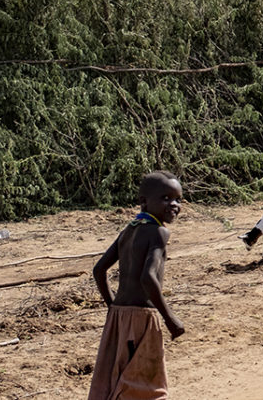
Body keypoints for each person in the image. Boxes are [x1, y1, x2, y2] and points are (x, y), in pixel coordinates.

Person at [88, 170, 186, 400]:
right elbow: (148, 278)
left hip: (119, 317)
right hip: (142, 318)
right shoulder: (159, 232)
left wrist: (112, 306)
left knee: (117, 378)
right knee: (146, 385)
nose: (174, 205)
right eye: (165, 198)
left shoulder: (129, 229)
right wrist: (170, 319)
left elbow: (99, 270)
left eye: (178, 199)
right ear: (143, 201)